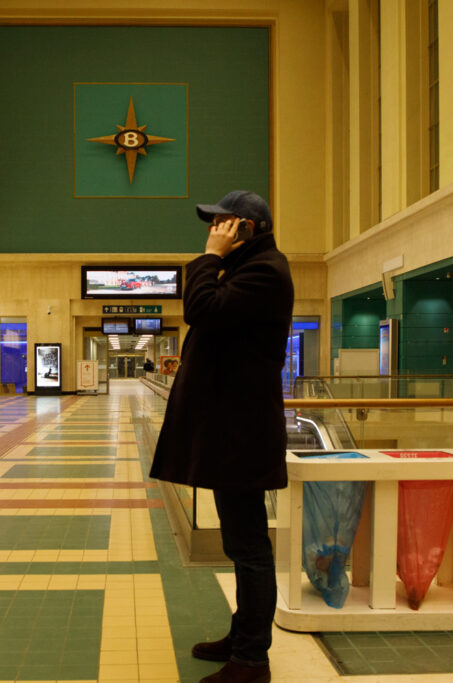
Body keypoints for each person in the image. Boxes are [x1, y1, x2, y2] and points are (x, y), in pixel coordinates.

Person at [150, 190, 294, 683]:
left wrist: (209, 257)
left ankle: (252, 659)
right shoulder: (252, 268)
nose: (213, 230)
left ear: (245, 229)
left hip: (242, 434)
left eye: (222, 223)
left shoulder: (264, 271)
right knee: (241, 543)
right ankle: (242, 637)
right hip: (233, 431)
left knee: (250, 547)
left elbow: (201, 310)